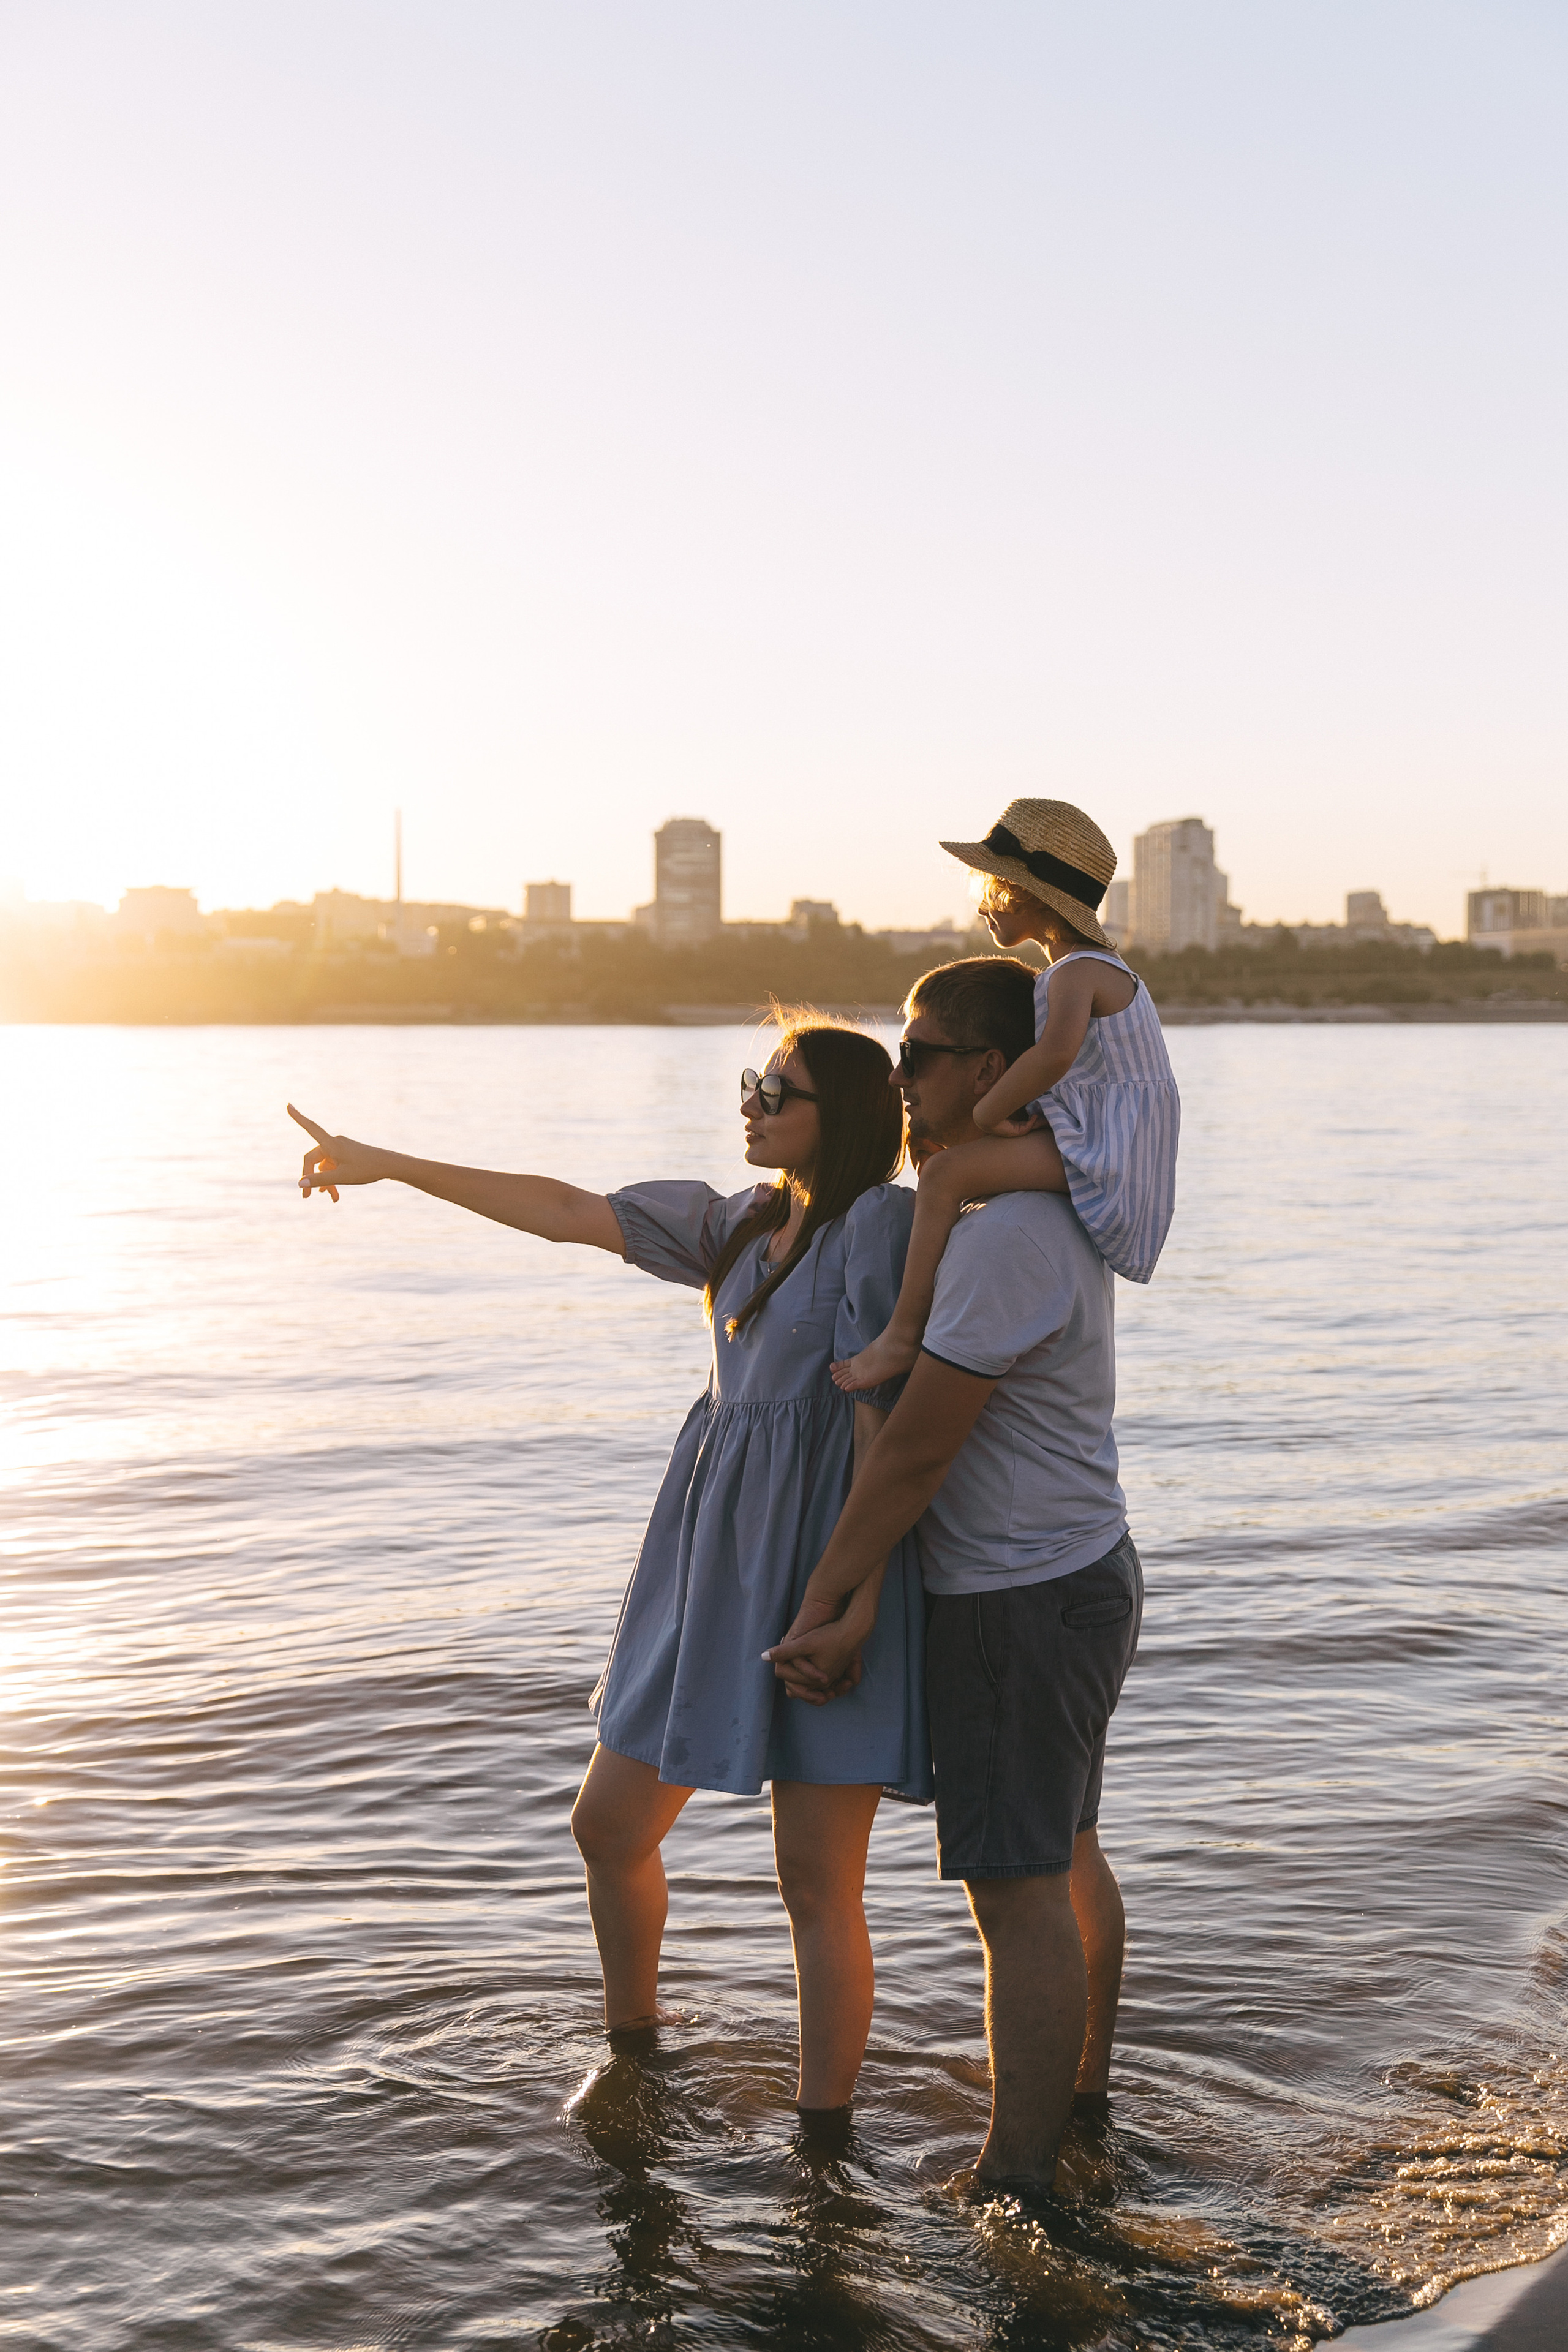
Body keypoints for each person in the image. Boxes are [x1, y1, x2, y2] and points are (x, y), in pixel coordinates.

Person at [288, 1014, 929, 2118]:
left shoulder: (879, 1227)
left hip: (825, 1572)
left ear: (849, 1118)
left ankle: (825, 2142)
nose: (751, 1103)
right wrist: (388, 1164)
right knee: (609, 1827)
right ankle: (638, 2049)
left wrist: (856, 1597)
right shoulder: (739, 1226)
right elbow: (565, 1211)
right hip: (713, 1572)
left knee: (816, 1884)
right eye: (753, 1082)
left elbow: (882, 1420)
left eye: (777, 1091)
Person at [768, 957, 1142, 2196]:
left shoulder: (1002, 1244)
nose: (897, 1074)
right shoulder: (1030, 1216)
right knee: (1065, 1853)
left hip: (1018, 1602)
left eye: (917, 1053)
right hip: (1073, 1574)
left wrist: (822, 1601)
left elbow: (917, 1450)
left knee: (1016, 1890)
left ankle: (1016, 2178)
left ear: (989, 1072)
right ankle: (1079, 2111)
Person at [832, 797, 1180, 1395]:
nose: (981, 905)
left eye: (991, 891)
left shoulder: (1075, 973)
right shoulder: (1089, 969)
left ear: (1028, 894)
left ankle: (901, 1335)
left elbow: (1054, 1056)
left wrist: (988, 1111)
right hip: (1103, 1133)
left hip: (1110, 1150)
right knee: (950, 1164)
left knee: (944, 1176)